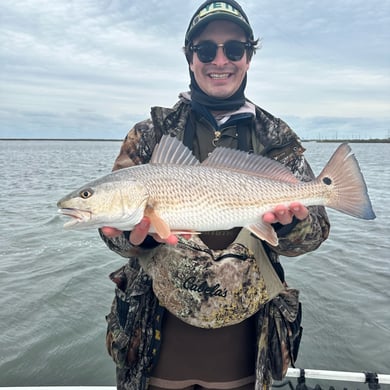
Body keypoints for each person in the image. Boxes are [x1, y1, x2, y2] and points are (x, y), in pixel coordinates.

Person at [100, 1, 330, 389]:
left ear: (248, 58)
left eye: (234, 49)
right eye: (206, 50)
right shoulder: (153, 132)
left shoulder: (276, 139)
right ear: (190, 58)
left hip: (245, 348)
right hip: (153, 344)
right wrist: (131, 236)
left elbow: (316, 233)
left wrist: (292, 227)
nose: (219, 60)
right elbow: (113, 233)